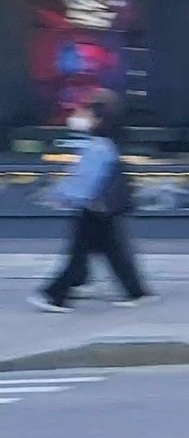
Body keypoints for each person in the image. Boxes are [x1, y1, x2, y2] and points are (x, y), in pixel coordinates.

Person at [32, 96, 151, 312]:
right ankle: (136, 292)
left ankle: (55, 295)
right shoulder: (109, 144)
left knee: (80, 254)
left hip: (92, 208)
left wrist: (61, 196)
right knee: (112, 252)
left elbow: (86, 180)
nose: (80, 118)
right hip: (101, 209)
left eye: (86, 114)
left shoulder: (97, 148)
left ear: (97, 120)